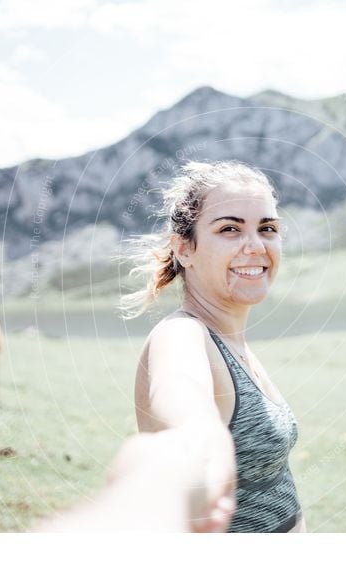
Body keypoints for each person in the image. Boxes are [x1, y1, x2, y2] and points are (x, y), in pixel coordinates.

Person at [118, 160, 305, 533]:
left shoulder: (233, 344)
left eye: (267, 228)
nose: (255, 246)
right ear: (184, 249)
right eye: (230, 229)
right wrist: (201, 441)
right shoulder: (181, 336)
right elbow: (184, 402)